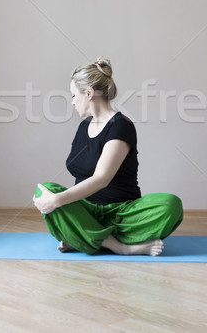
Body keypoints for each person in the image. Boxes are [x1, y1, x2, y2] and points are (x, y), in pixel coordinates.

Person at [33, 57, 183, 256]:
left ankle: (88, 239)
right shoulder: (83, 127)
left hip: (122, 213)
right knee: (45, 191)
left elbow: (102, 179)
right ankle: (115, 243)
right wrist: (54, 198)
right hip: (86, 211)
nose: (72, 102)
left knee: (170, 204)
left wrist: (57, 201)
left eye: (73, 95)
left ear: (88, 93)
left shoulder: (121, 126)